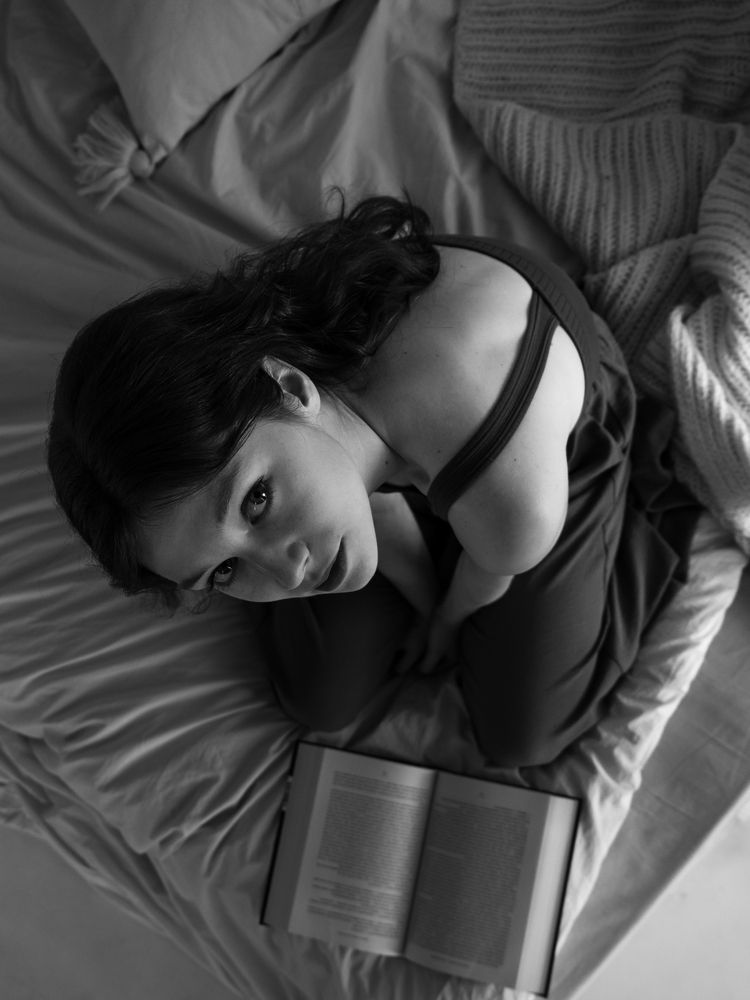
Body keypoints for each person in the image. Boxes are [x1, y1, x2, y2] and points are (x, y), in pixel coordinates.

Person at [47, 195, 699, 767]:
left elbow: (488, 567)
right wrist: (417, 588)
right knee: (318, 697)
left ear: (291, 386)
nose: (287, 573)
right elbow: (370, 498)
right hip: (375, 447)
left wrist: (444, 621)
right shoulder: (302, 429)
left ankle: (625, 497)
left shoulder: (513, 507)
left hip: (531, 439)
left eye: (256, 502)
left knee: (522, 734)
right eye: (221, 572)